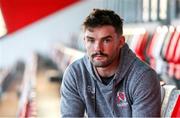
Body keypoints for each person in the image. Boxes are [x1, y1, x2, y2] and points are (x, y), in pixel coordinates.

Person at [60, 8, 161, 117]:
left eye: (106, 40)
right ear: (84, 41)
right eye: (91, 40)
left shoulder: (142, 77)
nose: (98, 48)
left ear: (121, 42)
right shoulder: (75, 74)